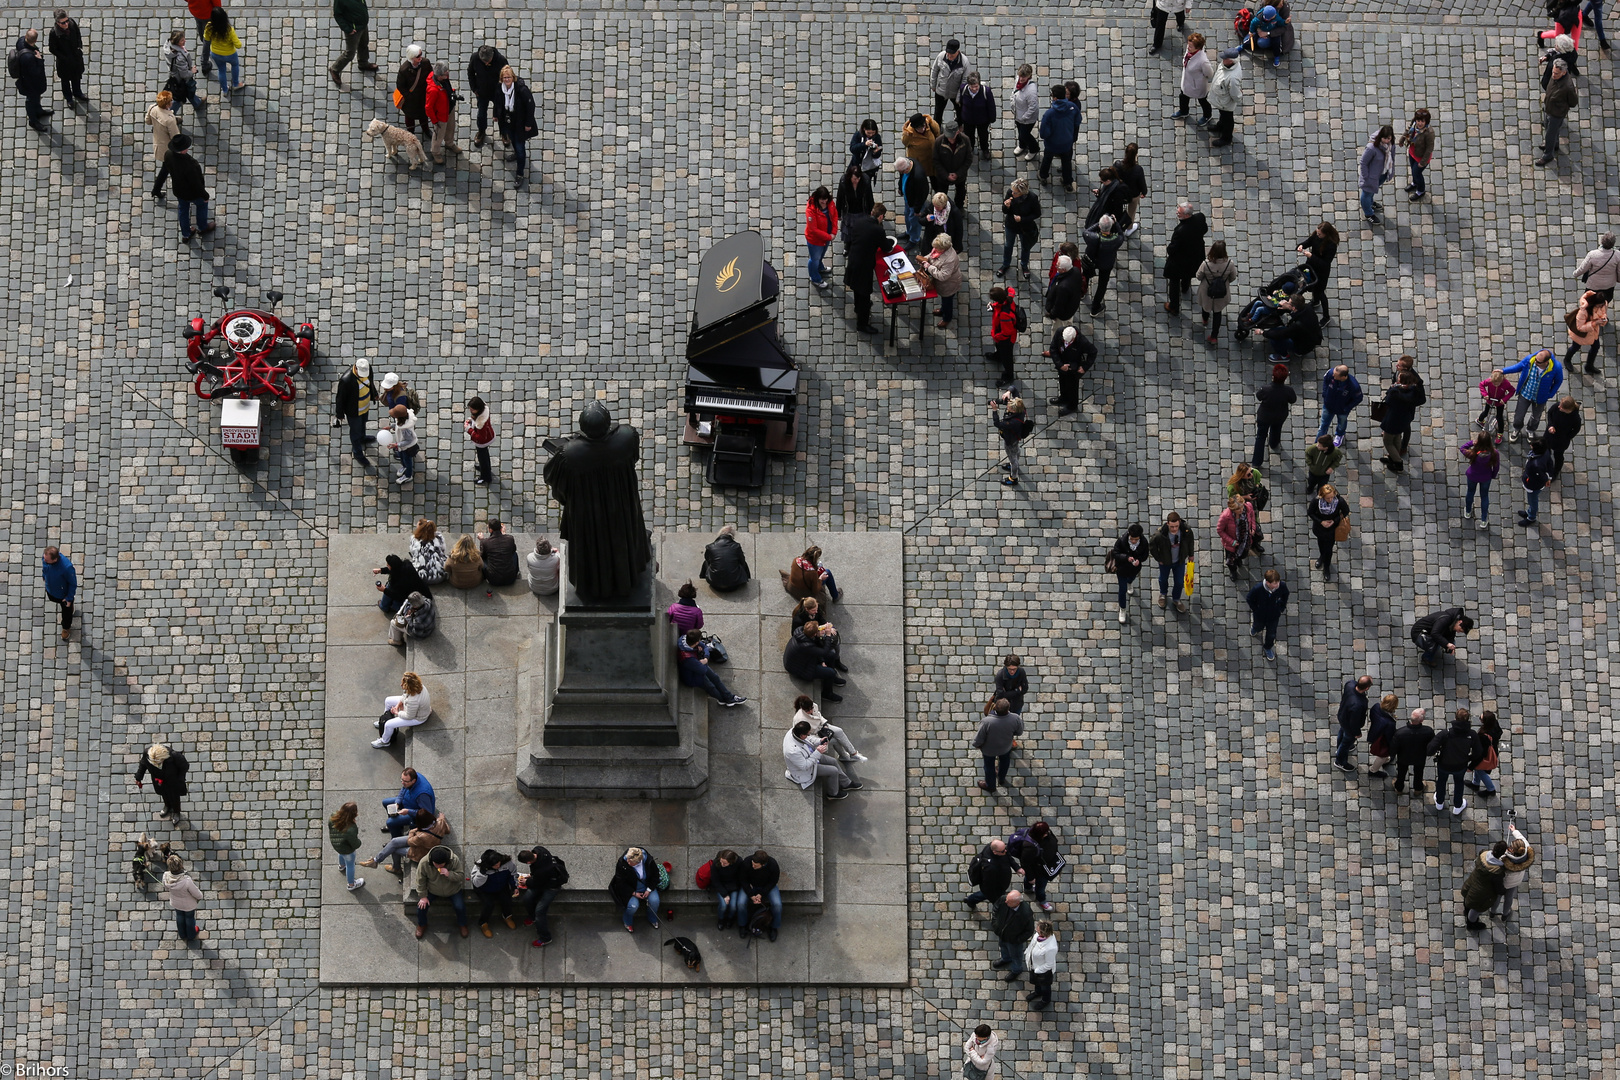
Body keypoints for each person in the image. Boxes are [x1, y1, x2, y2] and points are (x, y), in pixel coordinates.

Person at [783, 718, 857, 800]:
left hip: (811, 755)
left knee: (833, 761)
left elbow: (808, 739)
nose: (809, 735)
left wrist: (819, 741)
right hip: (805, 771)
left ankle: (846, 783)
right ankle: (833, 794)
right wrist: (818, 752)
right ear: (802, 735)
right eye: (807, 734)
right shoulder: (792, 751)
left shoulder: (794, 732)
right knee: (833, 771)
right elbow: (804, 766)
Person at [842, 203, 888, 334]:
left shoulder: (859, 221)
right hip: (864, 266)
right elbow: (886, 247)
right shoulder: (878, 230)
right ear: (880, 217)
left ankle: (858, 307)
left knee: (857, 289)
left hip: (853, 261)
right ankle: (862, 324)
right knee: (864, 295)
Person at [1430, 708, 1483, 814]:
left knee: (1441, 781)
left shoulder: (1445, 734)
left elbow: (1430, 749)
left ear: (1455, 718)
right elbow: (1479, 752)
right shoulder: (1472, 735)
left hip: (1444, 764)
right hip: (1460, 765)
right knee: (1459, 783)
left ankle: (1439, 802)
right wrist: (1469, 760)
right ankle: (1458, 806)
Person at [1503, 348, 1563, 441]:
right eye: (1535, 359)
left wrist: (1550, 394)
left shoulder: (1556, 367)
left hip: (1540, 398)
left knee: (1536, 417)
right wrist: (1503, 371)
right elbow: (1518, 367)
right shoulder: (1530, 360)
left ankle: (1530, 430)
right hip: (1525, 393)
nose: (1535, 362)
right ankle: (1517, 429)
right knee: (1519, 415)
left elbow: (1558, 381)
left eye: (1538, 362)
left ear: (1546, 362)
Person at [166, 134, 215, 247]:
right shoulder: (190, 165)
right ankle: (202, 227)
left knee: (183, 211)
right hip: (193, 194)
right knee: (202, 205)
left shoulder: (168, 155)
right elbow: (196, 184)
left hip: (179, 191)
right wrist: (205, 196)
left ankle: (186, 234)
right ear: (183, 150)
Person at [492, 65, 537, 185]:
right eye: (505, 77)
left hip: (520, 123)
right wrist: (496, 114)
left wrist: (528, 123)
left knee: (520, 147)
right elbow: (497, 102)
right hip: (507, 121)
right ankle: (516, 154)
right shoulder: (499, 88)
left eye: (509, 77)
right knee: (511, 139)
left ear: (513, 77)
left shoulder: (521, 90)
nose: (507, 79)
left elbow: (530, 106)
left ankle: (520, 173)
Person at [514, 844, 568, 946]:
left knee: (540, 912)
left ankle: (545, 938)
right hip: (543, 879)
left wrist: (527, 881)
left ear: (528, 862)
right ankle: (532, 917)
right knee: (527, 899)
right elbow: (538, 878)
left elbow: (537, 883)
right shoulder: (539, 849)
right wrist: (532, 876)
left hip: (552, 887)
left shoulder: (541, 870)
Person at [1161, 202, 1209, 314]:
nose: (1177, 212)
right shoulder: (1200, 218)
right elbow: (1204, 229)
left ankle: (1174, 306)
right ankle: (1185, 287)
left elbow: (1172, 249)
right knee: (1188, 274)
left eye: (1180, 212)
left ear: (1186, 215)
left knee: (1174, 282)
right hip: (1195, 257)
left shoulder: (1180, 231)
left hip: (1180, 262)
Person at [414, 845, 469, 939]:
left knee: (460, 907)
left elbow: (460, 876)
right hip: (433, 890)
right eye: (436, 864)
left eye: (441, 864)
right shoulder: (424, 863)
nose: (438, 866)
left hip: (453, 890)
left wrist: (449, 874)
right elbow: (420, 880)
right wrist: (423, 896)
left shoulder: (454, 860)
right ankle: (422, 925)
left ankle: (462, 924)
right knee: (421, 907)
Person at [793, 694, 866, 763]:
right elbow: (805, 736)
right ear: (803, 709)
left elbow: (819, 715)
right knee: (834, 741)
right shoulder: (799, 719)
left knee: (839, 731)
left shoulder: (814, 705)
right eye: (808, 710)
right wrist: (820, 740)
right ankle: (844, 756)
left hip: (821, 726)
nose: (811, 711)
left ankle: (853, 753)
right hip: (814, 735)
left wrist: (824, 724)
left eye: (811, 708)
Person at [683, 630, 747, 706]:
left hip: (698, 666)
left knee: (715, 678)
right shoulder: (689, 659)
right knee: (711, 686)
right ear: (696, 643)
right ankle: (723, 699)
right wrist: (703, 658)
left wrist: (705, 658)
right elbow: (703, 669)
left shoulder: (683, 639)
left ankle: (729, 697)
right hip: (692, 676)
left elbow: (705, 647)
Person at [1378, 370, 1426, 473]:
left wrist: (1393, 387)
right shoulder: (1413, 392)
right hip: (1404, 419)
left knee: (1388, 441)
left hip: (1392, 420)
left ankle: (1398, 462)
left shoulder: (1396, 392)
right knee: (1397, 438)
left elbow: (1388, 400)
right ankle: (1393, 457)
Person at [972, 699, 1023, 793]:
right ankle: (1001, 778)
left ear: (995, 707)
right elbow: (1019, 732)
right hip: (1005, 747)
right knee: (1005, 762)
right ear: (1008, 708)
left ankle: (990, 786)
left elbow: (979, 737)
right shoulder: (1015, 718)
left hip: (989, 750)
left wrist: (977, 745)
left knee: (989, 767)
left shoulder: (987, 721)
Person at [333, 359, 377, 466]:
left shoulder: (368, 369)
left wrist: (374, 394)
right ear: (356, 368)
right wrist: (340, 414)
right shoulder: (346, 380)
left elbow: (370, 383)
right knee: (355, 432)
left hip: (365, 407)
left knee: (363, 423)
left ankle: (363, 438)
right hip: (354, 411)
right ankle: (357, 453)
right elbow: (340, 399)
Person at [1149, 512, 1194, 613]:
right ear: (1167, 523)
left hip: (1180, 561)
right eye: (1172, 526)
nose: (1174, 529)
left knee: (1179, 582)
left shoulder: (1186, 531)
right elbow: (1152, 547)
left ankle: (1176, 599)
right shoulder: (1160, 535)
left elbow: (1190, 542)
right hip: (1165, 562)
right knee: (1163, 579)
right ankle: (1163, 594)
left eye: (1176, 526)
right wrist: (1159, 559)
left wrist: (1191, 554)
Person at [1010, 821, 1060, 910]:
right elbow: (1025, 863)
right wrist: (1031, 878)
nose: (1047, 833)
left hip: (1045, 863)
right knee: (1040, 887)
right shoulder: (1029, 846)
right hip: (1039, 869)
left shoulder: (1045, 833)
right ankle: (1042, 900)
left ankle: (1028, 888)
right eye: (1045, 833)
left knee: (1032, 882)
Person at [996, 178, 1040, 280]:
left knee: (1025, 247)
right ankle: (1005, 264)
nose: (1012, 193)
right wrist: (1006, 206)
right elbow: (1005, 211)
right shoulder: (1010, 193)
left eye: (1015, 192)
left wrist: (1022, 219)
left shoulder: (1032, 198)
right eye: (1012, 191)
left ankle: (1024, 265)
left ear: (1021, 192)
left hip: (1025, 227)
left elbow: (1037, 213)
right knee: (1008, 245)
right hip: (1011, 225)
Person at [372, 671, 431, 748]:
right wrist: (397, 705)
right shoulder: (418, 686)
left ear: (409, 687)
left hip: (418, 718)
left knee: (388, 725)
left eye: (403, 684)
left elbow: (409, 716)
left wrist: (397, 712)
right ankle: (385, 719)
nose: (401, 685)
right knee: (388, 701)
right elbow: (405, 695)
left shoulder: (413, 700)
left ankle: (384, 741)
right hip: (412, 708)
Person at [609, 847, 662, 932]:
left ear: (638, 862)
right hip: (631, 888)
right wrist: (633, 893)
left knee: (655, 901)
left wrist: (648, 890)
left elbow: (655, 875)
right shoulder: (622, 862)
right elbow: (620, 882)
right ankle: (627, 921)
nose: (627, 862)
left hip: (646, 886)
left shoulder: (648, 861)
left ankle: (652, 918)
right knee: (633, 906)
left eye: (630, 862)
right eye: (628, 859)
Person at [1536, 59, 1578, 166]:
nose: (1553, 75)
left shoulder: (1567, 87)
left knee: (1550, 133)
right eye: (1553, 72)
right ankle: (1555, 144)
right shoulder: (1555, 76)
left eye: (1556, 73)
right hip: (1548, 107)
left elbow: (1573, 102)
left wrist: (1561, 107)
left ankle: (1548, 155)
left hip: (1556, 113)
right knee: (1547, 126)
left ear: (1564, 72)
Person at [1047, 325, 1096, 416]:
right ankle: (1064, 398)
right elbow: (1053, 349)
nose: (1065, 342)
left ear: (1074, 338)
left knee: (1072, 388)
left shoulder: (1082, 342)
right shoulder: (1059, 332)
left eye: (1068, 341)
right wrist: (1060, 365)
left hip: (1073, 369)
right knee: (1062, 382)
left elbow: (1093, 352)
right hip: (1062, 366)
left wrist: (1084, 367)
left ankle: (1072, 406)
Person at [1196, 241, 1239, 346]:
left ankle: (1205, 319)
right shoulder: (1230, 264)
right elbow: (1233, 277)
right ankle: (1214, 336)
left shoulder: (1205, 264)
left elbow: (1198, 276)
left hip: (1207, 290)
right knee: (1217, 312)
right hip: (1221, 291)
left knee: (1206, 306)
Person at [1296, 222, 1340, 323]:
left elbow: (1325, 263)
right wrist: (1301, 246)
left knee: (1320, 292)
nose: (1317, 234)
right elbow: (1309, 241)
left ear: (1326, 234)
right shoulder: (1316, 235)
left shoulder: (1331, 246)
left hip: (1321, 272)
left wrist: (1311, 257)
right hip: (1311, 267)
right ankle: (1315, 302)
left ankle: (1326, 317)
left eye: (1320, 234)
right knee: (1308, 285)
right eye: (1317, 232)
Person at [1251, 364, 1295, 466]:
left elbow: (1258, 396)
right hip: (1280, 415)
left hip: (1264, 416)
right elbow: (1293, 400)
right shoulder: (1288, 390)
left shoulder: (1265, 389)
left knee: (1261, 437)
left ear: (1273, 376)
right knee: (1276, 428)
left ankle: (1257, 462)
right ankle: (1274, 443)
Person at [1038, 85, 1079, 191]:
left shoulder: (1049, 114)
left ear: (1055, 98)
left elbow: (1043, 133)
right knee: (1066, 162)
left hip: (1052, 144)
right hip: (1067, 143)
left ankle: (1043, 176)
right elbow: (1077, 121)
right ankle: (1067, 182)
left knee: (1047, 160)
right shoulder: (1073, 107)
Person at [134, 743, 189, 822]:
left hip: (173, 781)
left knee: (174, 797)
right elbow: (143, 764)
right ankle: (167, 806)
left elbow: (184, 766)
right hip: (158, 780)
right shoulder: (147, 753)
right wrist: (138, 777)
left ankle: (177, 811)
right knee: (164, 793)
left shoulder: (174, 756)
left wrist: (179, 778)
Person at [466, 45, 508, 149]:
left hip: (497, 93)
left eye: (488, 61)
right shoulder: (475, 58)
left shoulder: (501, 60)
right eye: (484, 62)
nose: (486, 63)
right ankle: (481, 131)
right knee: (481, 114)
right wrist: (474, 88)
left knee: (501, 113)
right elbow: (470, 72)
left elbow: (507, 76)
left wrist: (503, 91)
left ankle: (504, 133)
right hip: (482, 92)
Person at [328, 0, 376, 87]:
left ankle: (363, 63)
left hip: (363, 25)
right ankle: (335, 69)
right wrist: (348, 29)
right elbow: (338, 15)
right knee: (349, 54)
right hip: (353, 30)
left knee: (364, 44)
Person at [1083, 216, 1124, 317]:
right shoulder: (1116, 240)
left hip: (1091, 259)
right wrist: (1116, 222)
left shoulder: (1091, 237)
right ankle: (1095, 308)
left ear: (1100, 227)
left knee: (1086, 275)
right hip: (1106, 263)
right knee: (1102, 285)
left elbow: (1087, 231)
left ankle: (1082, 292)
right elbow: (1121, 235)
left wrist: (1099, 224)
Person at [471, 850, 518, 937]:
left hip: (501, 887)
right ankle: (483, 923)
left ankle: (507, 916)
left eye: (499, 863)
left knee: (507, 900)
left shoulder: (507, 863)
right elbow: (476, 883)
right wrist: (483, 873)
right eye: (495, 865)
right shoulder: (479, 866)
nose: (498, 866)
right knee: (488, 905)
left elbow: (513, 874)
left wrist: (515, 887)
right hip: (484, 889)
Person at [989, 890, 1035, 981]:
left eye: (1009, 901)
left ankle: (1016, 970)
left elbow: (1029, 931)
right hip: (1002, 934)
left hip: (1014, 941)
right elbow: (995, 908)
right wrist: (995, 924)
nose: (1005, 902)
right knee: (1003, 947)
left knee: (1016, 955)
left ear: (1017, 903)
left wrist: (1017, 940)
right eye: (1006, 899)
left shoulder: (1025, 913)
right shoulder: (1004, 900)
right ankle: (1006, 959)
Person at [1108, 524, 1149, 623]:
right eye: (1132, 539)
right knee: (1122, 590)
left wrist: (1139, 560)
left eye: (1136, 539)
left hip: (1134, 569)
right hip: (1122, 569)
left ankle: (1130, 583)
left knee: (1131, 579)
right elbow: (1116, 553)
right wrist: (1126, 557)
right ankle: (1122, 609)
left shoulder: (1144, 542)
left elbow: (1145, 555)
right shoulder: (1122, 541)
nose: (1133, 541)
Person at [1460, 843, 1508, 928]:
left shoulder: (1483, 854)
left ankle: (1466, 911)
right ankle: (1471, 924)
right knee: (1476, 908)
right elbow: (1498, 888)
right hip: (1481, 893)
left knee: (1468, 898)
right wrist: (1503, 891)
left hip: (1472, 882)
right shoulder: (1497, 871)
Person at [1309, 483, 1351, 580]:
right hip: (1320, 529)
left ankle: (1326, 566)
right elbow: (1310, 513)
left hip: (1332, 530)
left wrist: (1334, 520)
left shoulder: (1339, 501)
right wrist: (1321, 522)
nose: (1331, 500)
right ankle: (1321, 557)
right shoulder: (1316, 501)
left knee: (1328, 549)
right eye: (1328, 498)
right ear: (1322, 496)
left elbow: (1345, 511)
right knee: (1320, 544)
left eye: (1332, 497)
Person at [161, 30, 207, 118]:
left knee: (188, 92)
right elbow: (184, 74)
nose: (185, 41)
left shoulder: (168, 46)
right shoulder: (179, 58)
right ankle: (169, 117)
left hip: (174, 75)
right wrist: (192, 71)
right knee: (179, 97)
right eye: (182, 40)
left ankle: (197, 102)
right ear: (177, 43)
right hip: (181, 80)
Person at [1245, 569, 1288, 661]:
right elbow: (1249, 598)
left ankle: (1268, 647)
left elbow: (1285, 595)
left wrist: (1281, 607)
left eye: (1278, 582)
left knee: (1271, 634)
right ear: (1268, 583)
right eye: (1274, 583)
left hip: (1274, 616)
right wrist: (1256, 609)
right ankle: (1255, 629)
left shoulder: (1282, 586)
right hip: (1261, 615)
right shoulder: (1258, 589)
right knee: (1258, 625)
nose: (1277, 585)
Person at [47, 9, 86, 110]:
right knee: (65, 81)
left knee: (77, 77)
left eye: (67, 21)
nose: (66, 24)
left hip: (76, 57)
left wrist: (79, 46)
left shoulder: (72, 23)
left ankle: (77, 93)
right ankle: (69, 98)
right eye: (63, 22)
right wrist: (64, 58)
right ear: (57, 22)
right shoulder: (54, 33)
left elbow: (78, 34)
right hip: (64, 62)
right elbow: (52, 49)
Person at [989, 393, 1031, 486]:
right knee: (1016, 451)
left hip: (1010, 440)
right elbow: (1014, 389)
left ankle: (1013, 478)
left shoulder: (1012, 422)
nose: (1007, 407)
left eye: (1009, 407)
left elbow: (997, 424)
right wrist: (1009, 391)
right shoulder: (1021, 409)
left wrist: (995, 410)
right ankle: (1015, 463)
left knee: (1013, 459)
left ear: (1014, 410)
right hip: (1015, 438)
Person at [1333, 675, 1373, 773]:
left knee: (1342, 733)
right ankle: (1340, 761)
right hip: (1349, 725)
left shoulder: (1350, 684)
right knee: (1347, 741)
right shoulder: (1357, 705)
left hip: (1343, 716)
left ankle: (1339, 748)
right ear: (1367, 688)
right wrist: (1357, 733)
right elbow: (1354, 722)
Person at [1172, 34, 1214, 126]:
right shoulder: (1190, 51)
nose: (1188, 47)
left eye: (1190, 46)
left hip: (1197, 85)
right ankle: (1184, 111)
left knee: (1202, 100)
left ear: (1198, 48)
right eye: (1188, 45)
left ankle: (1207, 115)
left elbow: (1209, 73)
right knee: (1183, 96)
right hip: (1187, 81)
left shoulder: (1202, 60)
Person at [921, 234, 963, 328]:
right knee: (944, 301)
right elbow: (932, 255)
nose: (934, 249)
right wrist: (925, 259)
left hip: (948, 284)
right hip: (942, 283)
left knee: (947, 301)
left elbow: (943, 276)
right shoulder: (939, 250)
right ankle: (942, 310)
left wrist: (929, 267)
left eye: (936, 248)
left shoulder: (949, 259)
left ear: (943, 249)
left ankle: (947, 318)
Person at [12, 28, 49, 133]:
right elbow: (36, 72)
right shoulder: (29, 57)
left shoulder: (20, 41)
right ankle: (33, 121)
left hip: (27, 78)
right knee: (31, 100)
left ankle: (39, 111)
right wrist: (39, 59)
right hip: (31, 83)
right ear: (35, 41)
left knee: (35, 99)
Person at [1316, 365, 1363, 447]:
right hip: (1328, 405)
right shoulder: (1330, 373)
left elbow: (1358, 398)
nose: (1333, 376)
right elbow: (1325, 381)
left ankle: (1339, 435)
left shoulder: (1353, 386)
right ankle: (1319, 442)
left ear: (1343, 377)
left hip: (1342, 409)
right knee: (1323, 425)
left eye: (1335, 375)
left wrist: (1346, 408)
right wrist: (1325, 394)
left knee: (1341, 424)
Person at [741, 850, 783, 941]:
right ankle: (742, 925)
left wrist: (762, 894)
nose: (752, 866)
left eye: (755, 865)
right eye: (752, 863)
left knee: (777, 905)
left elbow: (773, 882)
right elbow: (743, 880)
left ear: (763, 864)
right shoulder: (747, 862)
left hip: (766, 886)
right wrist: (751, 895)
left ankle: (774, 927)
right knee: (740, 903)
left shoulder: (773, 865)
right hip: (750, 886)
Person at [1460, 434, 1501, 529]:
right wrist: (1493, 475)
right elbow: (1496, 467)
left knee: (1470, 492)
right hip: (1486, 478)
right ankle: (1483, 520)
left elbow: (1462, 448)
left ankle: (1468, 512)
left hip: (1472, 476)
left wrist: (1471, 442)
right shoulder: (1494, 453)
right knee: (1484, 496)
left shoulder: (1473, 453)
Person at [1496, 825, 1536, 921]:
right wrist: (1514, 831)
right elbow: (1521, 838)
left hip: (1505, 882)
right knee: (1509, 898)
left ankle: (1493, 912)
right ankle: (1505, 914)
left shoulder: (1505, 859)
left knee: (1497, 897)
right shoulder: (1526, 850)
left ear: (1512, 851)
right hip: (1516, 881)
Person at [162, 855, 206, 942]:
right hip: (188, 905)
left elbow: (166, 887)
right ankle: (191, 934)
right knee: (189, 918)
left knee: (179, 916)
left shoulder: (165, 876)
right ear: (180, 866)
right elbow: (198, 895)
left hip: (176, 903)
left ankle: (182, 933)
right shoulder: (186, 881)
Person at [1357, 125, 1395, 225]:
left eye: (1389, 138)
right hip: (1371, 177)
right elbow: (1363, 163)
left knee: (1371, 191)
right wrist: (1366, 178)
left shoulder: (1391, 145)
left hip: (1382, 174)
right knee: (1366, 194)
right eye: (1385, 138)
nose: (1387, 140)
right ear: (1380, 137)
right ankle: (1368, 213)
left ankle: (1370, 202)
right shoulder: (1372, 148)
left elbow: (1392, 157)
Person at [201, 7, 244, 94]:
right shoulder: (228, 29)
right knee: (235, 65)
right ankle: (236, 84)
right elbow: (238, 45)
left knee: (221, 70)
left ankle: (224, 90)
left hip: (216, 54)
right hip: (230, 54)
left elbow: (206, 39)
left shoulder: (209, 27)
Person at [803, 185, 839, 290]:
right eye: (822, 200)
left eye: (825, 200)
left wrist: (833, 231)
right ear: (817, 198)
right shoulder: (811, 210)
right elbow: (813, 229)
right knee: (814, 259)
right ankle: (815, 278)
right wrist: (829, 236)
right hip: (815, 240)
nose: (824, 202)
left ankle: (820, 267)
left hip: (826, 236)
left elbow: (835, 215)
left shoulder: (830, 203)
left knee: (821, 255)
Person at [1391, 709, 1434, 794]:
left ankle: (1399, 788)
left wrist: (1392, 755)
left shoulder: (1400, 732)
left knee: (1401, 773)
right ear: (1421, 720)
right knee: (1419, 773)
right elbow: (1432, 744)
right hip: (1420, 757)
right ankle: (1418, 788)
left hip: (1403, 757)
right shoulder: (1428, 731)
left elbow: (1394, 747)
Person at [1564, 291, 1608, 374]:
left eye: (1602, 305)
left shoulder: (1603, 304)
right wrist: (1595, 323)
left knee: (1596, 347)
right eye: (1599, 305)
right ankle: (1567, 360)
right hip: (1581, 335)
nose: (1601, 307)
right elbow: (1580, 327)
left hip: (1593, 333)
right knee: (1575, 347)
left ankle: (1589, 366)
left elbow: (1603, 313)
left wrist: (1603, 320)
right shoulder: (1583, 311)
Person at [1218, 494, 1260, 581]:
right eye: (1238, 509)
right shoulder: (1225, 516)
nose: (1241, 510)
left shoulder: (1248, 507)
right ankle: (1233, 571)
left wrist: (1253, 527)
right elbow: (1220, 530)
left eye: (1241, 507)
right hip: (1232, 544)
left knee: (1243, 554)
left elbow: (1252, 516)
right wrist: (1232, 542)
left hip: (1245, 539)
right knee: (1231, 562)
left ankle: (1239, 559)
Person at [382, 767, 435, 835]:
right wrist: (397, 803)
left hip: (416, 814)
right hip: (409, 801)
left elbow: (427, 813)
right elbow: (403, 790)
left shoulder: (422, 795)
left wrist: (408, 811)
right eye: (402, 780)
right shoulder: (410, 779)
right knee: (385, 802)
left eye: (405, 781)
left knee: (390, 822)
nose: (402, 783)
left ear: (413, 781)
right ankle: (397, 826)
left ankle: (396, 838)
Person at [424, 62, 459, 166]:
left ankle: (449, 143)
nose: (447, 75)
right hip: (440, 116)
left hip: (449, 108)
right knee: (438, 135)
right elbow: (428, 107)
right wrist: (435, 121)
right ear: (439, 76)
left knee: (451, 127)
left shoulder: (443, 79)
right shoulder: (433, 90)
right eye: (445, 74)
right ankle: (435, 152)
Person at [1207, 48, 1243, 148]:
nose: (1222, 59)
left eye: (1225, 58)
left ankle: (1226, 138)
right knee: (1223, 115)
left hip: (1225, 102)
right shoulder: (1226, 65)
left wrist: (1238, 98)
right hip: (1221, 99)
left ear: (1231, 61)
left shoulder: (1233, 78)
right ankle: (1220, 126)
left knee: (1228, 119)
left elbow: (1235, 94)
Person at [932, 120, 973, 207]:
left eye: (952, 137)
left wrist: (958, 174)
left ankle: (959, 207)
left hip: (960, 176)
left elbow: (968, 159)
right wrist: (946, 175)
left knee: (961, 192)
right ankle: (942, 208)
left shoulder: (965, 140)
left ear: (958, 132)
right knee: (941, 195)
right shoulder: (939, 141)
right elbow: (936, 160)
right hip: (943, 176)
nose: (950, 139)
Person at [395, 43, 432, 139]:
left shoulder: (425, 63)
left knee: (424, 115)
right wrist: (409, 97)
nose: (421, 57)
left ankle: (426, 129)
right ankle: (411, 134)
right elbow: (400, 86)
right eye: (418, 56)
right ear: (412, 57)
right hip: (410, 100)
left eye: (421, 54)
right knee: (410, 117)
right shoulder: (404, 70)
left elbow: (431, 76)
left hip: (423, 96)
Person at [964, 839, 1015, 908]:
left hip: (1000, 883)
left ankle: (970, 899)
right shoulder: (990, 868)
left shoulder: (995, 848)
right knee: (992, 898)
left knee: (984, 894)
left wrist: (1017, 868)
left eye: (1005, 848)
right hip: (996, 887)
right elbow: (988, 885)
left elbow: (1008, 856)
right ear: (995, 852)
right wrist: (995, 899)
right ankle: (971, 900)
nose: (1005, 851)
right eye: (1003, 851)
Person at [41, 545, 77, 641]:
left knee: (66, 613)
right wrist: (44, 576)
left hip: (64, 595)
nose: (44, 561)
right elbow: (44, 568)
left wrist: (69, 598)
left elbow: (73, 583)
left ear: (55, 559)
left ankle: (66, 628)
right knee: (53, 599)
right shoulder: (45, 558)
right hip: (51, 590)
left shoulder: (66, 567)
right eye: (44, 558)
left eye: (47, 560)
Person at [1398, 108, 1435, 200]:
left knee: (1417, 173)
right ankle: (1414, 183)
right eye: (1418, 120)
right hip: (1413, 152)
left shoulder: (1429, 133)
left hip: (1422, 157)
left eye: (1422, 121)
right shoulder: (1414, 124)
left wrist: (1423, 162)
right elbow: (1408, 131)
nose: (1420, 123)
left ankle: (1420, 190)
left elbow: (1429, 149)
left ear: (1426, 121)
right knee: (1413, 170)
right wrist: (1402, 139)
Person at [929, 39, 970, 124]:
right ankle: (937, 129)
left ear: (958, 52)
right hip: (941, 91)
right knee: (938, 112)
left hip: (955, 93)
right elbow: (934, 70)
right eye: (948, 52)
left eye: (952, 53)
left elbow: (964, 81)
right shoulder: (941, 56)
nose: (949, 55)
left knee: (960, 112)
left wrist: (959, 97)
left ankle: (958, 127)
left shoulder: (964, 62)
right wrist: (933, 85)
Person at [699, 525, 750, 592]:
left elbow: (708, 560)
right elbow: (742, 562)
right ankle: (748, 578)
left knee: (705, 562)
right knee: (744, 563)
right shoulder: (736, 546)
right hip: (734, 585)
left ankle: (702, 577)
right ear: (732, 536)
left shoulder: (710, 547)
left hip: (714, 584)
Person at [1573, 231, 1620, 303]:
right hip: (1609, 285)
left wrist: (1575, 274)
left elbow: (1583, 268)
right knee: (1605, 303)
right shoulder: (1617, 255)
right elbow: (1619, 271)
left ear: (1602, 241)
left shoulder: (1593, 254)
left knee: (1589, 302)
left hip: (1593, 285)